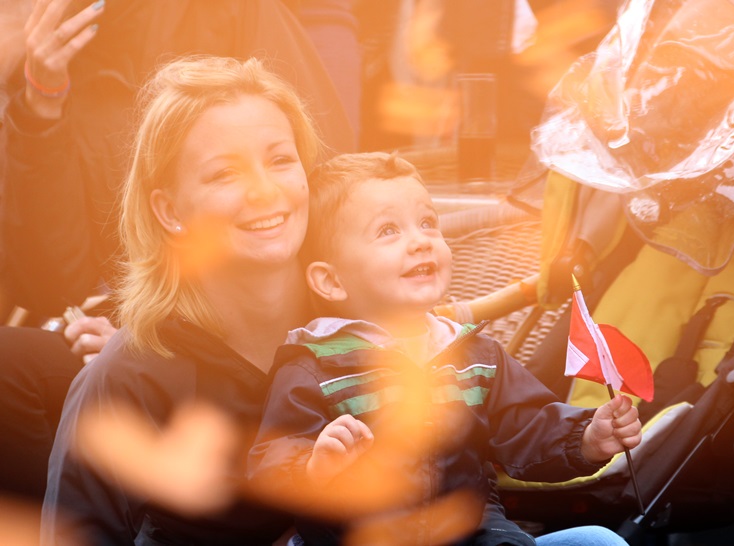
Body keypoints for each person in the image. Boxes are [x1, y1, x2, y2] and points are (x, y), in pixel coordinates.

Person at [0, 0, 356, 505]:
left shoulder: (236, 16)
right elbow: (51, 281)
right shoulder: (56, 44)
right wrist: (40, 104)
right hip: (141, 320)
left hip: (259, 332)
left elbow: (317, 187)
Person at [247, 151, 640, 545]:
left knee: (599, 540)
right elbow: (273, 459)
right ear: (332, 282)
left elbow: (528, 426)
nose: (420, 242)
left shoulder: (475, 358)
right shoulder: (316, 368)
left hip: (471, 531)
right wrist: (316, 466)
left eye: (427, 223)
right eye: (388, 230)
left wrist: (587, 437)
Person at [40, 54, 321, 545]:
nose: (263, 190)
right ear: (170, 211)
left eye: (280, 159)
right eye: (223, 174)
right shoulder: (127, 377)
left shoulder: (368, 323)